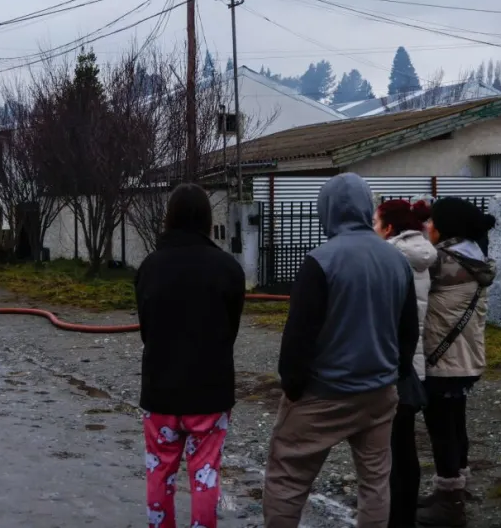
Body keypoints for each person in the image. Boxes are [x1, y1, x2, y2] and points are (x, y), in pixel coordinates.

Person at [263, 174, 419, 528]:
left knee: (288, 477)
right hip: (378, 393)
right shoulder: (396, 260)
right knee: (376, 481)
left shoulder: (320, 260)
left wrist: (293, 386)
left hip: (322, 393)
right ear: (367, 206)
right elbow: (408, 331)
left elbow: (299, 335)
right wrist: (395, 373)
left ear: (326, 210)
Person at [134, 184, 245, 528]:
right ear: (208, 221)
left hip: (161, 391)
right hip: (210, 394)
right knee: (205, 473)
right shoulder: (229, 269)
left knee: (160, 471)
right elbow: (231, 331)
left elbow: (146, 331)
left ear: (169, 219)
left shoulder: (149, 268)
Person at [416, 198, 495, 527]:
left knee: (441, 427)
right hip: (464, 356)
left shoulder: (442, 259)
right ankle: (458, 485)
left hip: (443, 358)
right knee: (455, 421)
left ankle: (449, 501)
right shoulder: (472, 252)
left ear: (445, 226)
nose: (427, 227)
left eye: (431, 222)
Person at [373, 199, 437, 528]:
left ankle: (395, 516)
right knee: (404, 444)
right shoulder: (421, 252)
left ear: (388, 228)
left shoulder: (391, 256)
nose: (373, 229)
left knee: (389, 449)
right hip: (413, 361)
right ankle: (404, 515)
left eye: (376, 222)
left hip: (394, 360)